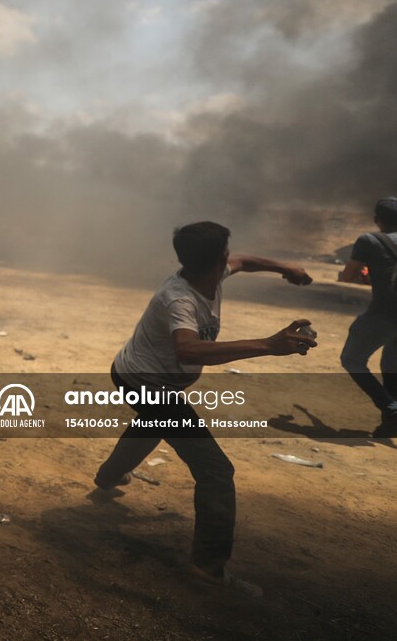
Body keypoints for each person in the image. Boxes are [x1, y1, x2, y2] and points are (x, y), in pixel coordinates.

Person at [93, 221, 315, 597]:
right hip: (148, 385)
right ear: (219, 258)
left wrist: (285, 268)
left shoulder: (206, 273)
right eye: (228, 251)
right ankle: (208, 567)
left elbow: (244, 262)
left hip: (133, 373)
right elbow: (188, 349)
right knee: (216, 470)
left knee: (150, 427)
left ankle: (107, 478)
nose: (232, 257)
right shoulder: (180, 299)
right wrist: (269, 344)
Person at [338, 197, 397, 438]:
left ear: (376, 220)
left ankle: (392, 412)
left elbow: (348, 276)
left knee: (352, 360)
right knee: (393, 364)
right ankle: (392, 421)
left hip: (384, 316)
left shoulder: (368, 240)